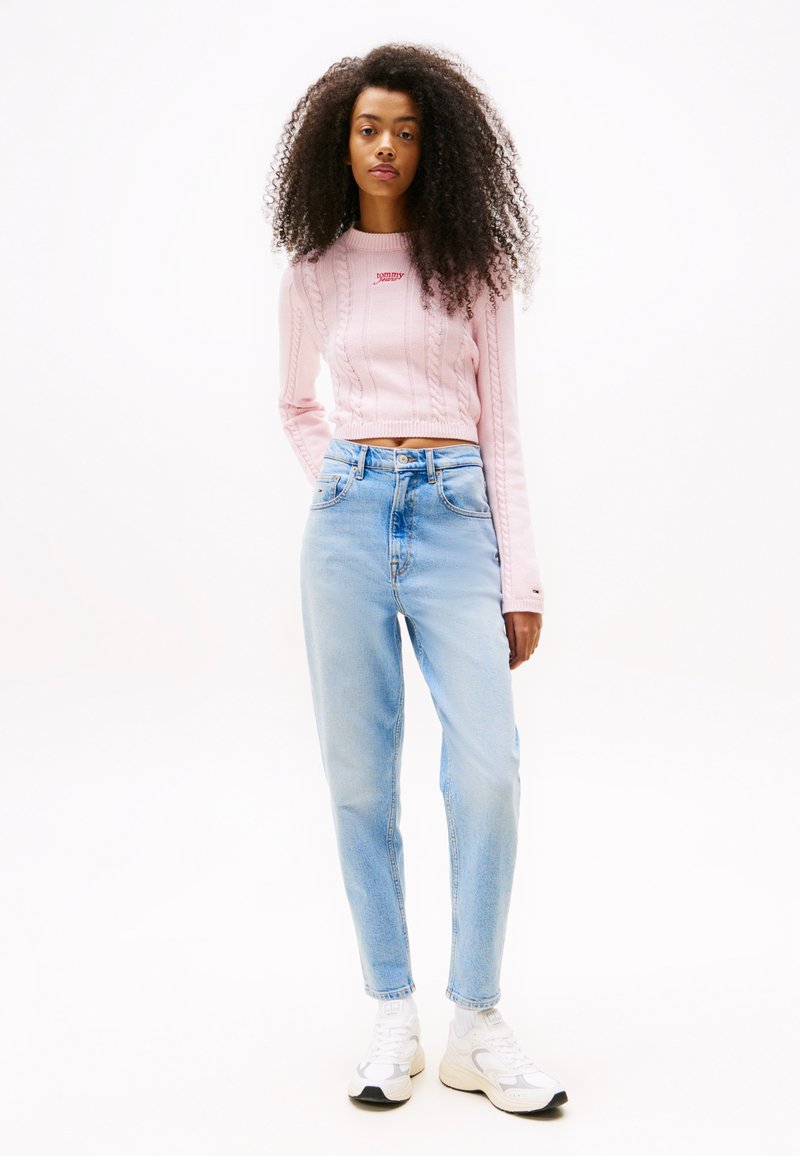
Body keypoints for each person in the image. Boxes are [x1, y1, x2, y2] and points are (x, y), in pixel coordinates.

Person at [264, 42, 567, 1115]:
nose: (385, 146)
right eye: (367, 129)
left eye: (403, 129)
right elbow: (296, 405)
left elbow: (503, 428)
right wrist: (341, 482)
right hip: (346, 524)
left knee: (487, 769)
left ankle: (475, 1022)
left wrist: (520, 580)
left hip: (455, 517)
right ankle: (392, 1012)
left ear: (433, 145)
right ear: (339, 144)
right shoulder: (313, 271)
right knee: (359, 779)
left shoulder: (474, 265)